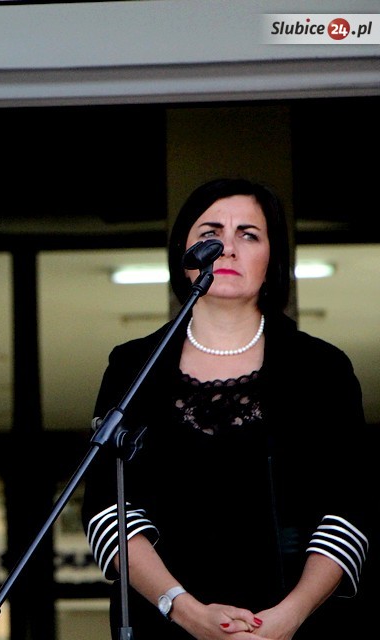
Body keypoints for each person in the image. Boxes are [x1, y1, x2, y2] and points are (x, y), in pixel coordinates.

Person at [80, 178, 372, 639]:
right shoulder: (133, 365)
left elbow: (350, 507)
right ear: (184, 254)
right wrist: (184, 610)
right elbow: (106, 508)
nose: (228, 249)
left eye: (249, 235)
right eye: (210, 233)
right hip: (166, 623)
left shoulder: (321, 368)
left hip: (295, 626)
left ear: (273, 258)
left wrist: (288, 618)